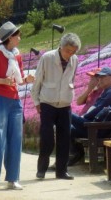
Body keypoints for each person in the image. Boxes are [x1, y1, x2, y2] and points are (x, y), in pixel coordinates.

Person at [0, 21, 35, 191]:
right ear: (10, 37)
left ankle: (13, 178)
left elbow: (19, 79)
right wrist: (2, 81)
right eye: (18, 35)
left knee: (15, 139)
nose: (20, 37)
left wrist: (27, 80)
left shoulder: (17, 55)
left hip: (15, 100)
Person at [31, 32, 81, 180]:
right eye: (67, 51)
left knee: (65, 138)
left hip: (65, 104)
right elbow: (38, 80)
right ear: (61, 46)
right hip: (48, 102)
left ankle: (61, 171)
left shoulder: (75, 60)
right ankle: (42, 169)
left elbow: (72, 78)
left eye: (73, 52)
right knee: (47, 138)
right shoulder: (47, 58)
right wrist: (36, 102)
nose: (69, 54)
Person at [68, 66, 111, 166]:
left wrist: (82, 118)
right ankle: (76, 154)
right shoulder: (107, 91)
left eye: (102, 77)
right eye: (99, 78)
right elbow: (92, 109)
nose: (99, 80)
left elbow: (96, 111)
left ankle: (76, 154)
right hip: (94, 126)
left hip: (97, 129)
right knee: (66, 127)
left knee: (65, 112)